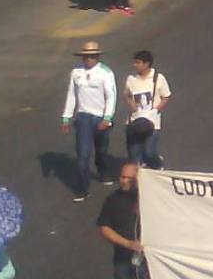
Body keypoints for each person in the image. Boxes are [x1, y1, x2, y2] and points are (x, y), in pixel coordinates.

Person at [61, 41, 116, 203]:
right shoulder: (76, 72)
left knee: (101, 150)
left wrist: (107, 118)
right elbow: (71, 95)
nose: (88, 60)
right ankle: (82, 189)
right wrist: (66, 116)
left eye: (92, 57)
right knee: (83, 155)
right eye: (86, 57)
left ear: (97, 56)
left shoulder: (106, 73)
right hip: (83, 117)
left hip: (100, 118)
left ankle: (103, 171)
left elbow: (111, 96)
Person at [96, 163, 147, 279]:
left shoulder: (148, 197)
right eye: (122, 177)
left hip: (148, 260)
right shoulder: (113, 199)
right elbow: (104, 228)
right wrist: (128, 244)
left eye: (129, 178)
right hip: (122, 259)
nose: (124, 181)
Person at [123, 50, 171, 170]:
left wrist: (155, 109)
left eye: (138, 63)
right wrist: (132, 105)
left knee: (149, 152)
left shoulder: (158, 78)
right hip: (134, 122)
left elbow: (166, 96)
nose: (135, 65)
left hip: (151, 123)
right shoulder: (131, 79)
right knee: (135, 159)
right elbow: (127, 96)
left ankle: (157, 165)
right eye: (135, 62)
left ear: (146, 64)